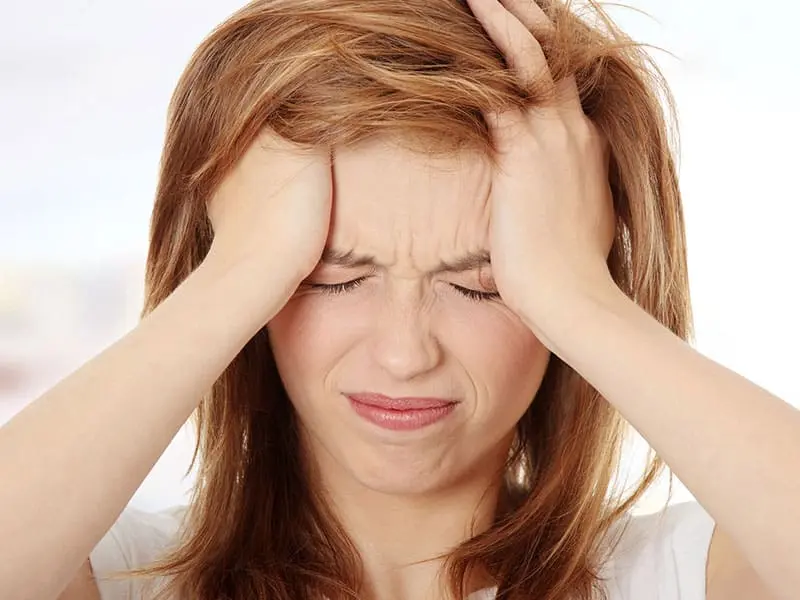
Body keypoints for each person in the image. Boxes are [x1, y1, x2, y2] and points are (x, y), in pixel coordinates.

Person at [1, 0, 796, 598]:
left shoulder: (674, 576)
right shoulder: (128, 578)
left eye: (481, 284)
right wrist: (234, 272)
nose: (404, 353)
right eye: (332, 278)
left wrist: (579, 294)